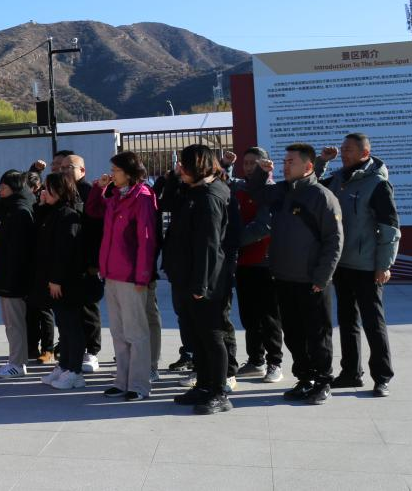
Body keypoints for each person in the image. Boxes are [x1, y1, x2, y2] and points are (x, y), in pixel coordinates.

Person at [241, 144, 344, 405]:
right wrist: (261, 172)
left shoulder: (321, 196)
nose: (286, 166)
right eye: (285, 161)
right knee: (294, 334)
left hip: (311, 281)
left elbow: (334, 240)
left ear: (308, 166)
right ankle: (304, 377)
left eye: (291, 162)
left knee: (317, 335)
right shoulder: (282, 192)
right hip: (284, 278)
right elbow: (255, 192)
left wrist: (322, 277)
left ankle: (322, 380)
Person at [320, 134, 400, 397]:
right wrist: (322, 162)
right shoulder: (338, 180)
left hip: (366, 266)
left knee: (373, 322)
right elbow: (312, 187)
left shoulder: (377, 184)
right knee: (347, 321)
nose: (344, 154)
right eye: (343, 149)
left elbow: (389, 228)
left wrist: (384, 265)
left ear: (365, 153)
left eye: (350, 150)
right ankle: (350, 373)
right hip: (342, 263)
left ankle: (382, 377)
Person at [162, 145, 234, 414]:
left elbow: (209, 246)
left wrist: (201, 284)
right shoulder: (192, 190)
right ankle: (203, 385)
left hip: (205, 282)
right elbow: (166, 204)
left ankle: (219, 392)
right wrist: (173, 178)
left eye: (184, 164)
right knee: (197, 336)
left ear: (199, 165)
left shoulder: (210, 196)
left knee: (212, 337)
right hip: (185, 277)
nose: (179, 168)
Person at [87, 151, 158, 400]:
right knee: (118, 332)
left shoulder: (142, 197)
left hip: (131, 276)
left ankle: (139, 384)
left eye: (115, 170)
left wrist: (142, 276)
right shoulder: (116, 196)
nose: (112, 174)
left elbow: (146, 239)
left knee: (136, 333)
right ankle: (122, 380)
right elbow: (93, 210)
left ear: (128, 173)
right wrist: (99, 188)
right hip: (112, 274)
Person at [222, 147, 284, 383]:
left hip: (265, 262)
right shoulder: (239, 186)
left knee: (269, 315)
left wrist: (233, 239)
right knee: (249, 316)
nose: (248, 167)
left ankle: (275, 362)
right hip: (243, 261)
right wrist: (226, 165)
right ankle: (256, 360)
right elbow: (225, 183)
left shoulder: (270, 190)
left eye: (253, 163)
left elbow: (263, 226)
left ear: (264, 165)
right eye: (246, 163)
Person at [36, 172, 89, 390]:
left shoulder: (68, 215)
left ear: (59, 191)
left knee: (71, 327)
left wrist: (56, 279)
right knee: (64, 326)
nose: (44, 192)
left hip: (68, 283)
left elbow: (64, 252)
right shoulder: (53, 212)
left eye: (48, 188)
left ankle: (75, 371)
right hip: (56, 281)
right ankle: (65, 365)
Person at [55, 152, 105, 375]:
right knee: (71, 311)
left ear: (82, 170)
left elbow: (96, 230)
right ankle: (72, 351)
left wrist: (95, 261)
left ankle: (92, 351)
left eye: (69, 167)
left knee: (89, 307)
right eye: (61, 167)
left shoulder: (89, 191)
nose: (64, 171)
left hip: (87, 261)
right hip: (70, 262)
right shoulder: (63, 192)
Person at [0, 169, 37, 378]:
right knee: (11, 323)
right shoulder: (12, 207)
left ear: (15, 188)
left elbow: (20, 252)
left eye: (4, 187)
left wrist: (12, 278)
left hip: (14, 278)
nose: (0, 190)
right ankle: (15, 360)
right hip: (8, 275)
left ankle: (18, 363)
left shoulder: (20, 211)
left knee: (14, 323)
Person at [26, 169, 57, 365]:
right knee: (30, 308)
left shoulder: (54, 209)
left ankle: (48, 348)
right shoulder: (33, 205)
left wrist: (44, 205)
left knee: (45, 310)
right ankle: (31, 345)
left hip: (46, 266)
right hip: (32, 265)